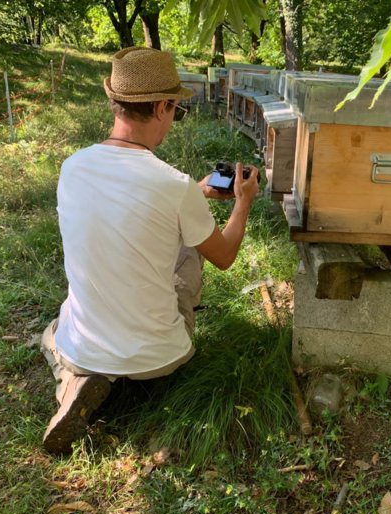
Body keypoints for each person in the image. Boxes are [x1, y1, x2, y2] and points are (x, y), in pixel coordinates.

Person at [40, 47, 259, 454]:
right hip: (162, 356)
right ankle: (111, 373)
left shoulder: (73, 166)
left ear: (115, 102)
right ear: (161, 106)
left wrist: (194, 195)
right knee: (193, 249)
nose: (174, 120)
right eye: (176, 110)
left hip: (83, 347)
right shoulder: (171, 185)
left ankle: (74, 381)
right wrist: (242, 202)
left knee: (51, 332)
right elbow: (225, 255)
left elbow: (125, 207)